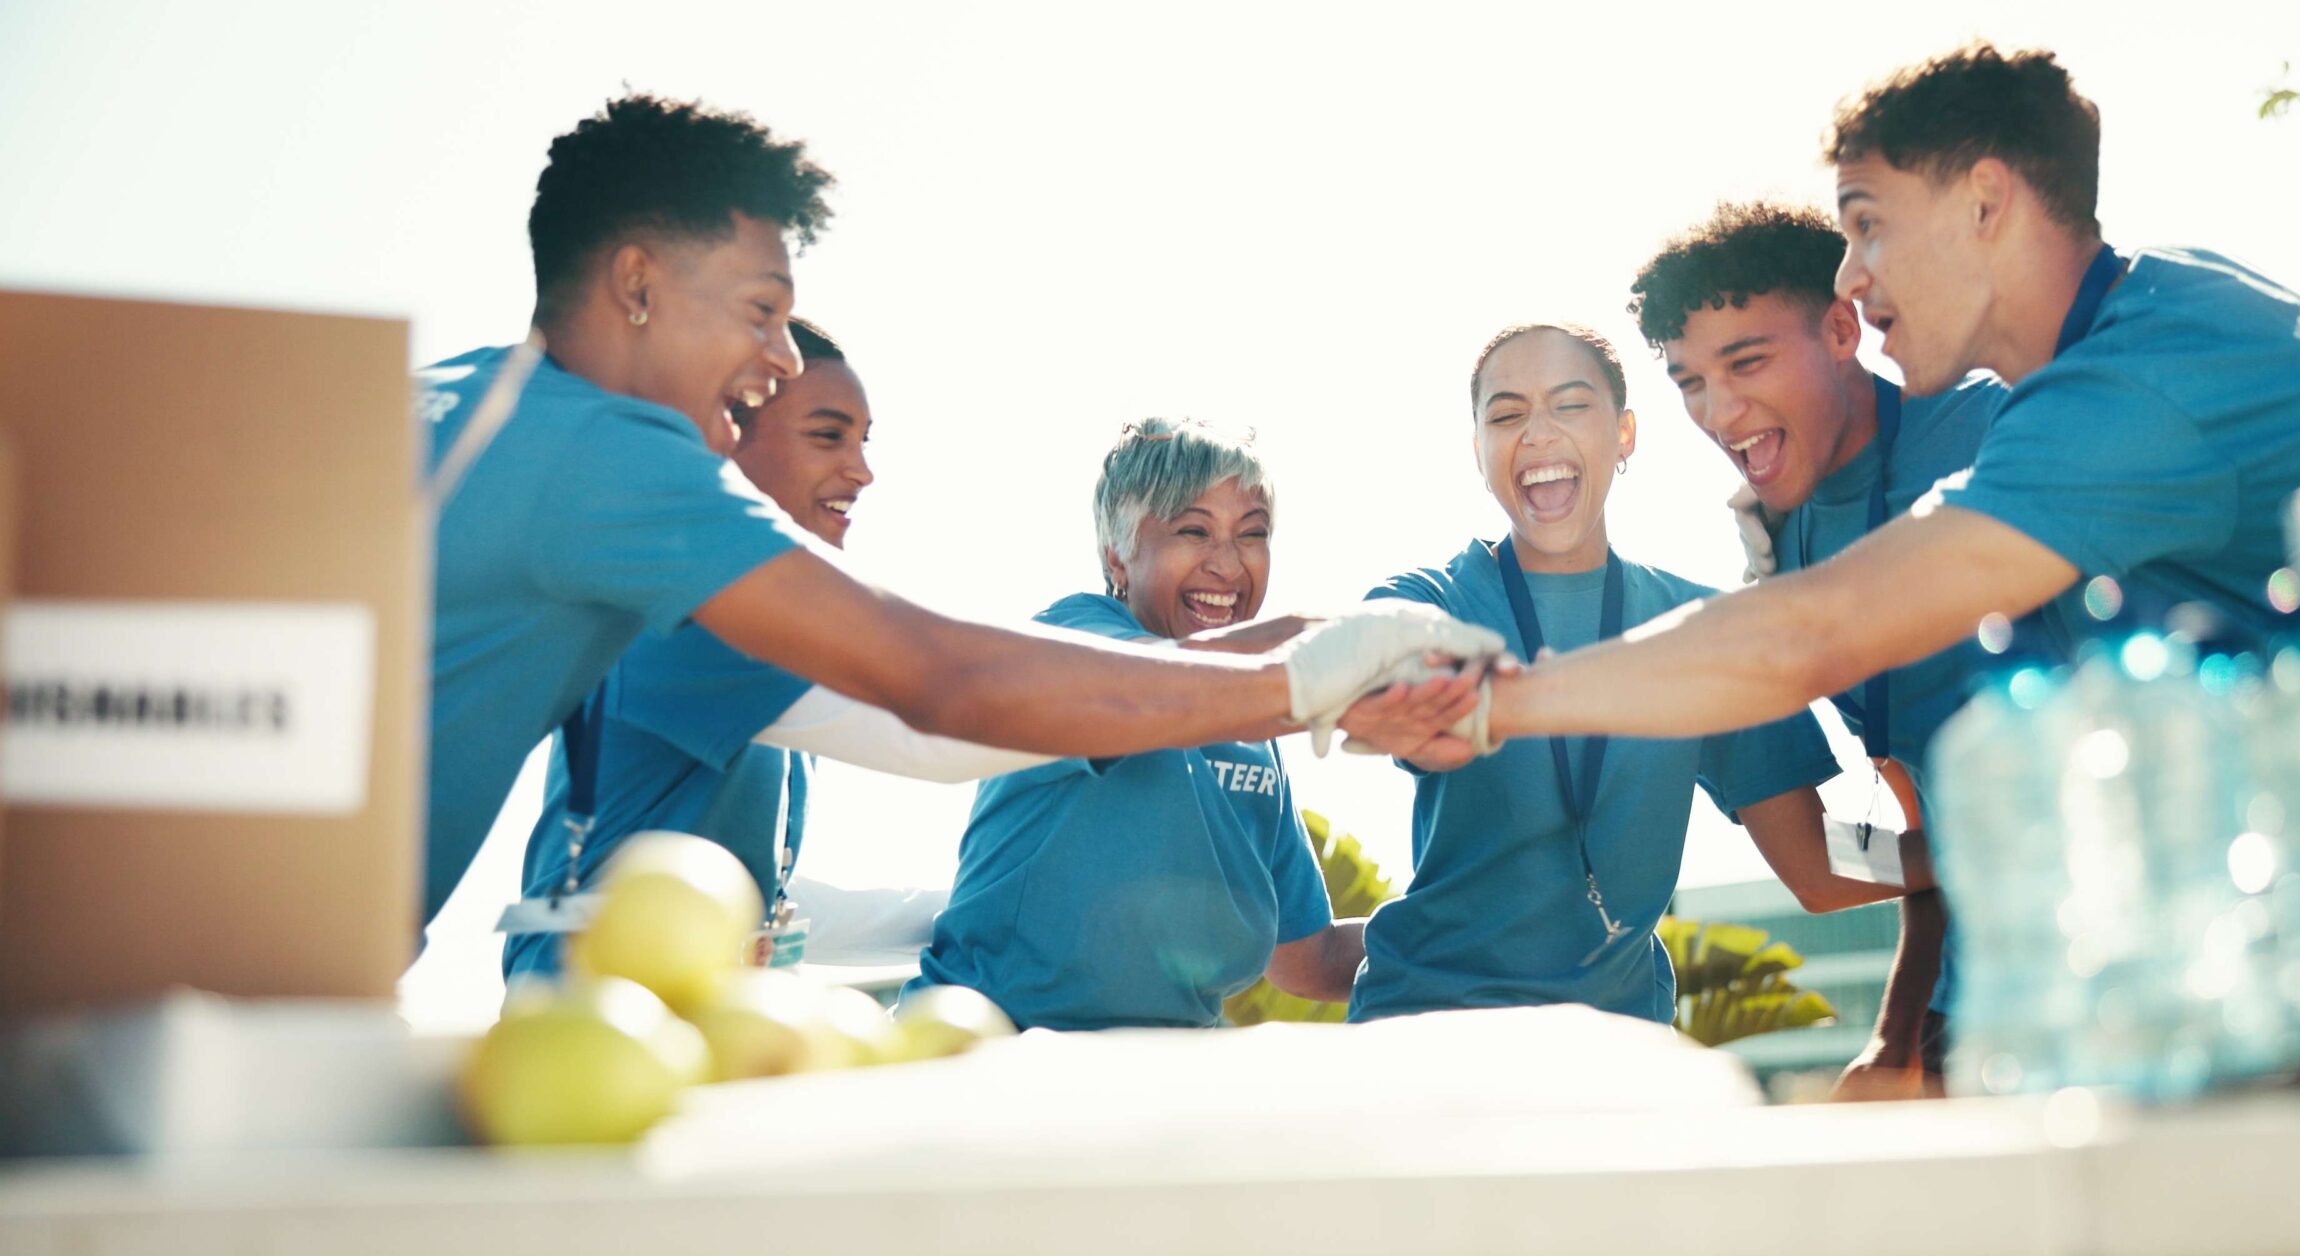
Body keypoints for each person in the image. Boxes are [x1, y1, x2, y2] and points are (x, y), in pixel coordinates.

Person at [1480, 45, 2300, 1256]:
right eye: (1689, 380)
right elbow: (1909, 812)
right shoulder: (2124, 340)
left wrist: (1500, 699)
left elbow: (1819, 640)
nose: (1853, 276)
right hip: (2254, 969)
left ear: (1988, 202)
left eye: (1867, 227)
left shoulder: (2099, 399)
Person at [417, 93, 1504, 931]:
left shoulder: (467, 405)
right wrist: (1306, 673)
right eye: (760, 310)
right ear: (637, 284)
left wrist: (1306, 651)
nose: (781, 358)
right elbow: (938, 691)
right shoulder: (617, 459)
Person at [1347, 322, 1934, 1256]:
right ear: (1478, 451)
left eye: (1569, 405)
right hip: (1435, 1054)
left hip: (1615, 1069)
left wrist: (1954, 854)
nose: (1538, 435)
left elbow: (1815, 865)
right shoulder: (1432, 601)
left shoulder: (1698, 626)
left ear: (1624, 435)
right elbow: (1369, 675)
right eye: (1505, 415)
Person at [504, 319, 1052, 979]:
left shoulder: (749, 619)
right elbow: (933, 734)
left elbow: (760, 903)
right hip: (585, 1008)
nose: (863, 471)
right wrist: (1141, 711)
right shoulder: (690, 612)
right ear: (721, 440)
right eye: (827, 436)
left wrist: (983, 912)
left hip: (665, 995)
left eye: (863, 441)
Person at [1627, 201, 2003, 1100]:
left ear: (1842, 329)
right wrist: (1896, 1036)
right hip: (1976, 998)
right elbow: (1904, 836)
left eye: (1746, 362)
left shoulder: (1999, 430)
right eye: (1689, 382)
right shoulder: (1780, 547)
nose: (1720, 412)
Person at [908, 419, 1411, 1033]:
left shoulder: (1253, 728)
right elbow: (1159, 683)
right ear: (1117, 554)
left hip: (1160, 1070)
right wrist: (1340, 646)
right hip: (989, 1044)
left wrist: (1475, 930)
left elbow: (1312, 958)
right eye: (1193, 531)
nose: (1228, 564)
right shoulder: (1072, 641)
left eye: (1252, 534)